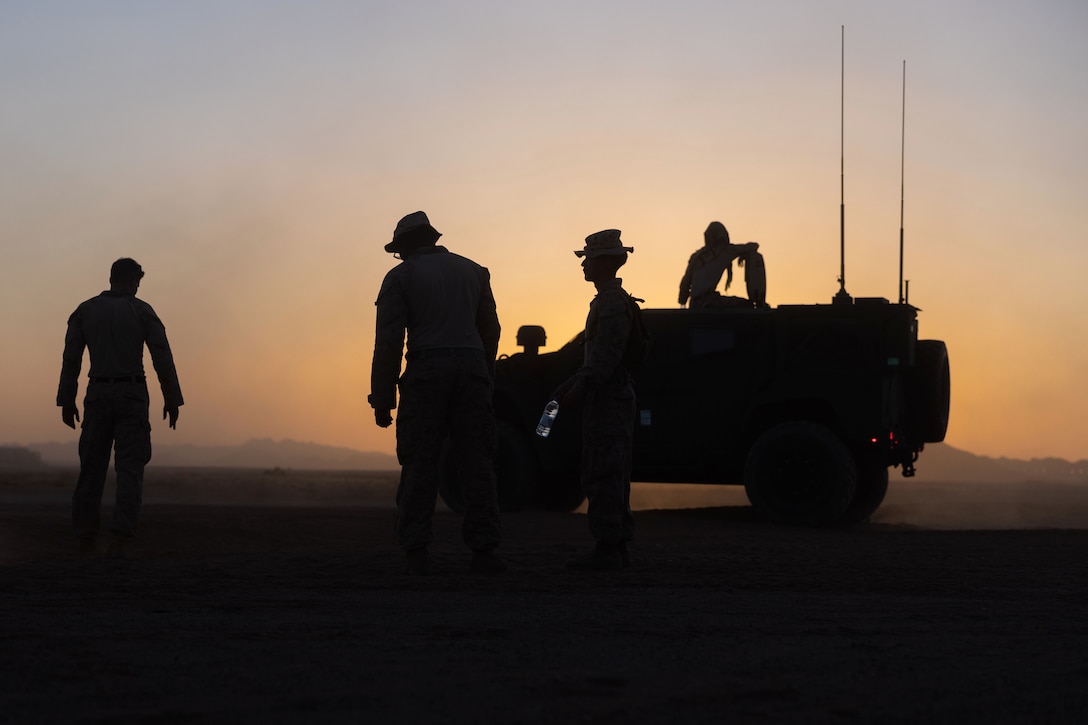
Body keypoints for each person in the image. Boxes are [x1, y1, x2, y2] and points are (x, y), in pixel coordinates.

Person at [369, 211, 506, 576]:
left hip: (427, 371)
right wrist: (484, 377)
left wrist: (383, 398)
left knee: (419, 462)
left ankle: (417, 552)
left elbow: (389, 342)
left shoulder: (402, 276)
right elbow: (490, 330)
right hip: (472, 368)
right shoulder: (475, 271)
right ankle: (484, 551)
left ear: (405, 247)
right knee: (477, 462)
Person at [57, 258, 184, 557]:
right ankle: (121, 535)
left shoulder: (85, 311)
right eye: (137, 282)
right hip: (132, 394)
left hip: (98, 392)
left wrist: (66, 399)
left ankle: (86, 534)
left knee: (91, 467)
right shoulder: (140, 310)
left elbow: (71, 360)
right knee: (130, 468)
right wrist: (172, 398)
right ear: (131, 281)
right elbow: (162, 357)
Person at [553, 229, 638, 571]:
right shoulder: (609, 302)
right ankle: (614, 544)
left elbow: (604, 360)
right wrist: (570, 384)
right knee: (609, 471)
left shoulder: (613, 305)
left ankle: (608, 547)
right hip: (607, 397)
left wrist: (578, 390)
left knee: (604, 473)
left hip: (608, 400)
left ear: (602, 263)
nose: (583, 266)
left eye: (587, 259)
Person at [677, 221, 760, 309]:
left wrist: (683, 304)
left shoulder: (696, 256)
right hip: (707, 303)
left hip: (694, 303)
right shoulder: (725, 251)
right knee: (746, 305)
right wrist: (744, 255)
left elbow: (685, 284)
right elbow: (754, 246)